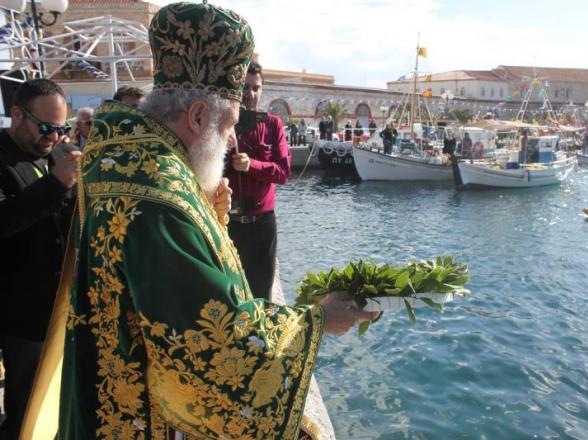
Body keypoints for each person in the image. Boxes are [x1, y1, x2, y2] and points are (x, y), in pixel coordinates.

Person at [28, 4, 377, 439]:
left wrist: (207, 209)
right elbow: (216, 347)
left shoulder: (118, 156)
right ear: (196, 117)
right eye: (229, 122)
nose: (232, 136)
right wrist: (318, 320)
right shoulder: (161, 198)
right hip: (145, 414)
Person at [0, 79, 80, 439]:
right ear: (16, 114)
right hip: (18, 314)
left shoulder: (51, 159)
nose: (54, 137)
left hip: (56, 308)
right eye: (46, 127)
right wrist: (57, 185)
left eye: (62, 129)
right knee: (25, 412)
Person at [225, 61, 290, 301]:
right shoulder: (223, 125)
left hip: (262, 223)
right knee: (230, 293)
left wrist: (252, 165)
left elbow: (283, 172)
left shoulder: (272, 125)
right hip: (228, 221)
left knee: (262, 293)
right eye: (245, 87)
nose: (250, 93)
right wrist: (222, 142)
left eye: (256, 88)